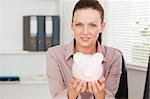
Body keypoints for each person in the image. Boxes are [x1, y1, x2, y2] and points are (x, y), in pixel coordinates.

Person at [47, 0, 122, 99]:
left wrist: (101, 95)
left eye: (92, 25)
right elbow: (56, 96)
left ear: (101, 27)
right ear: (72, 25)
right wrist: (71, 94)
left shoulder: (113, 56)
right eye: (79, 25)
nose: (85, 32)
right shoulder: (54, 54)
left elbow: (111, 96)